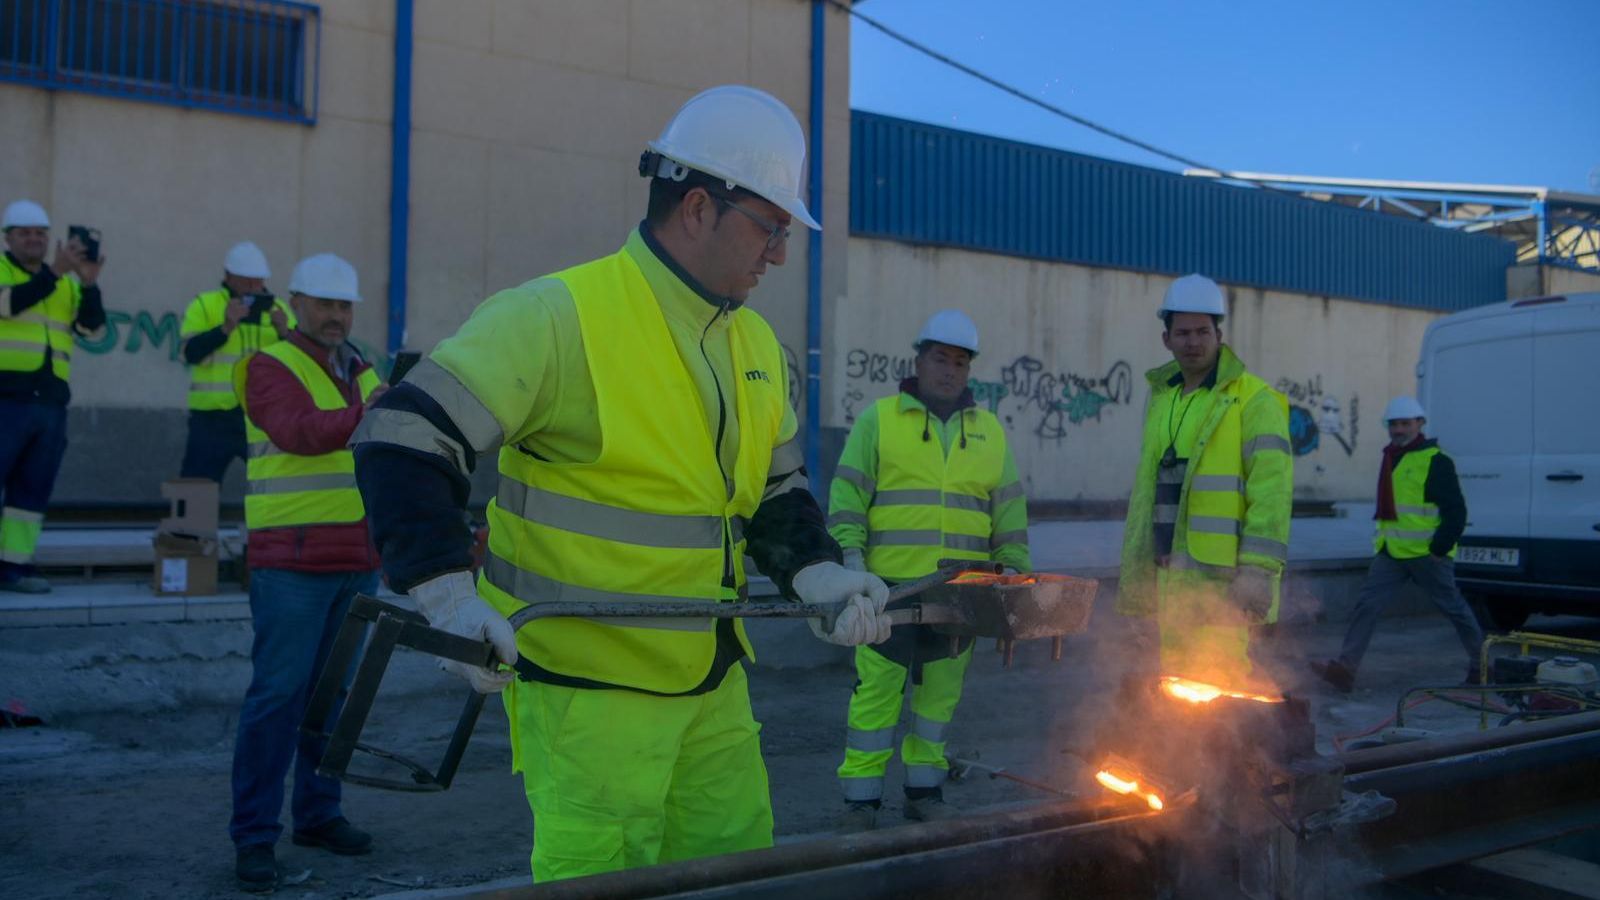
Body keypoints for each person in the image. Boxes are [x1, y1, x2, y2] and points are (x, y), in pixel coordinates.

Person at [350, 85, 892, 882]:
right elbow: (401, 435)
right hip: (588, 695)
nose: (779, 254)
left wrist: (818, 570)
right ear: (700, 208)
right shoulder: (557, 317)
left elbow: (776, 495)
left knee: (739, 880)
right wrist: (445, 597)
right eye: (771, 228)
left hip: (712, 690)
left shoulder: (762, 351)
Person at [827, 309, 1030, 831]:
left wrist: (1015, 574)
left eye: (960, 362)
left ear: (969, 370)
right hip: (888, 590)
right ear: (918, 360)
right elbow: (848, 496)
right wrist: (849, 562)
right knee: (875, 697)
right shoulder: (880, 420)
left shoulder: (988, 432)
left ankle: (924, 792)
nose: (949, 370)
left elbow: (1007, 512)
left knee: (939, 698)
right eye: (940, 358)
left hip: (961, 594)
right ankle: (860, 803)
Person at [229, 253, 384, 892]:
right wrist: (378, 410)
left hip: (355, 561)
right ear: (295, 303)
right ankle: (255, 838)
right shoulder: (267, 366)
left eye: (344, 306)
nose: (335, 316)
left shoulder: (364, 370)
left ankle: (319, 815)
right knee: (277, 700)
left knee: (331, 703)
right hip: (290, 565)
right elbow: (299, 432)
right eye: (324, 304)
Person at [1117, 274, 1292, 687]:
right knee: (1176, 683)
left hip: (1223, 579)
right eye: (1183, 333)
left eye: (1202, 331)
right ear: (1166, 339)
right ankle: (1186, 754)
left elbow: (1272, 491)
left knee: (1223, 681)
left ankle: (1230, 754)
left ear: (1219, 334)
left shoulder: (1253, 399)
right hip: (1168, 572)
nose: (1192, 341)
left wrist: (1258, 569)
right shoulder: (1163, 397)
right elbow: (1150, 488)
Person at [1311, 397, 1481, 692]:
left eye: (1405, 423)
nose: (1399, 429)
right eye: (1394, 424)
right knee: (1366, 607)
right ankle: (1345, 669)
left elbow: (1456, 511)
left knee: (1455, 609)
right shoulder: (1391, 456)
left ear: (1419, 424)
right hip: (1391, 552)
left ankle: (1484, 665)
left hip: (1428, 555)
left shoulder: (1437, 461)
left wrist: (1439, 548)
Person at [0, 199, 106, 594]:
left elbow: (92, 331)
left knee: (31, 492)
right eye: (25, 233)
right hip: (5, 399)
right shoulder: (8, 271)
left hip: (49, 403)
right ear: (8, 238)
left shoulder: (67, 281)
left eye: (41, 234)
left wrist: (90, 282)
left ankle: (13, 567)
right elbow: (7, 304)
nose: (34, 240)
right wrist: (56, 273)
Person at [178, 241, 294, 482]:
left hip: (261, 417)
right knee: (198, 488)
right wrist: (225, 328)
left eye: (259, 280)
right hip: (212, 418)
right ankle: (196, 522)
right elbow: (189, 353)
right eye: (248, 280)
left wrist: (285, 332)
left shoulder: (279, 310)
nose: (255, 287)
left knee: (276, 484)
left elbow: (301, 362)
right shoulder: (205, 305)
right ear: (229, 276)